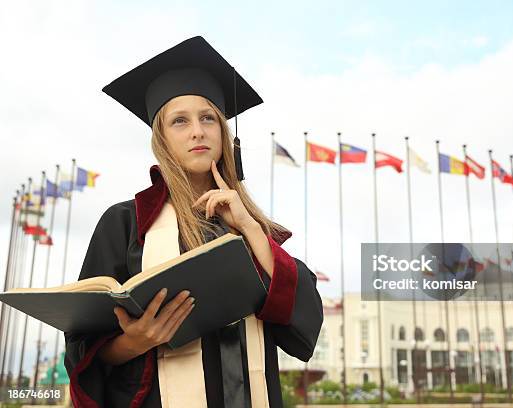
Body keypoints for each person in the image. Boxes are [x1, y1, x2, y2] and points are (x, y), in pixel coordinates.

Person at [64, 36, 323, 407]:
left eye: (207, 118)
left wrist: (250, 228)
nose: (198, 131)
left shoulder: (248, 226)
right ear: (163, 140)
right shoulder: (126, 222)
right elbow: (83, 351)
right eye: (180, 122)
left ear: (222, 132)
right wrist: (135, 342)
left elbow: (303, 323)